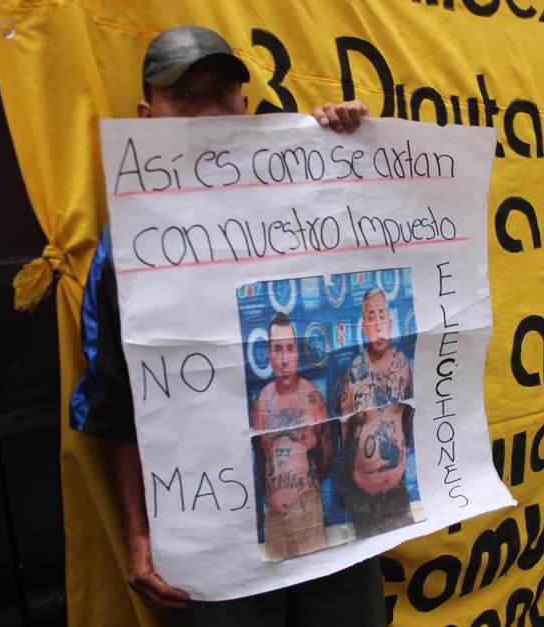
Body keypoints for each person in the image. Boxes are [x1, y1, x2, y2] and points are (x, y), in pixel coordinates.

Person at [70, 25, 384, 626]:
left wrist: (352, 151)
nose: (208, 113)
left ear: (245, 103)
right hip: (213, 534)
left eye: (221, 93)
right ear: (147, 114)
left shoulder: (311, 195)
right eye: (183, 97)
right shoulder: (130, 248)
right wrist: (137, 537)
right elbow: (116, 402)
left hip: (333, 529)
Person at [252, 313, 332, 560]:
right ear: (269, 354)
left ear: (297, 352)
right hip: (275, 520)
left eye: (289, 348)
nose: (285, 359)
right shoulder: (261, 404)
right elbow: (261, 459)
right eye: (278, 349)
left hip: (308, 512)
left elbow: (327, 454)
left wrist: (305, 488)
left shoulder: (314, 398)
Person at [340, 288, 418, 538]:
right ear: (364, 326)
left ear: (390, 322)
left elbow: (409, 417)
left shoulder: (403, 366)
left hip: (398, 491)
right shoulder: (352, 374)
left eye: (381, 315)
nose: (378, 324)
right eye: (371, 317)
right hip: (364, 500)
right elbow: (344, 434)